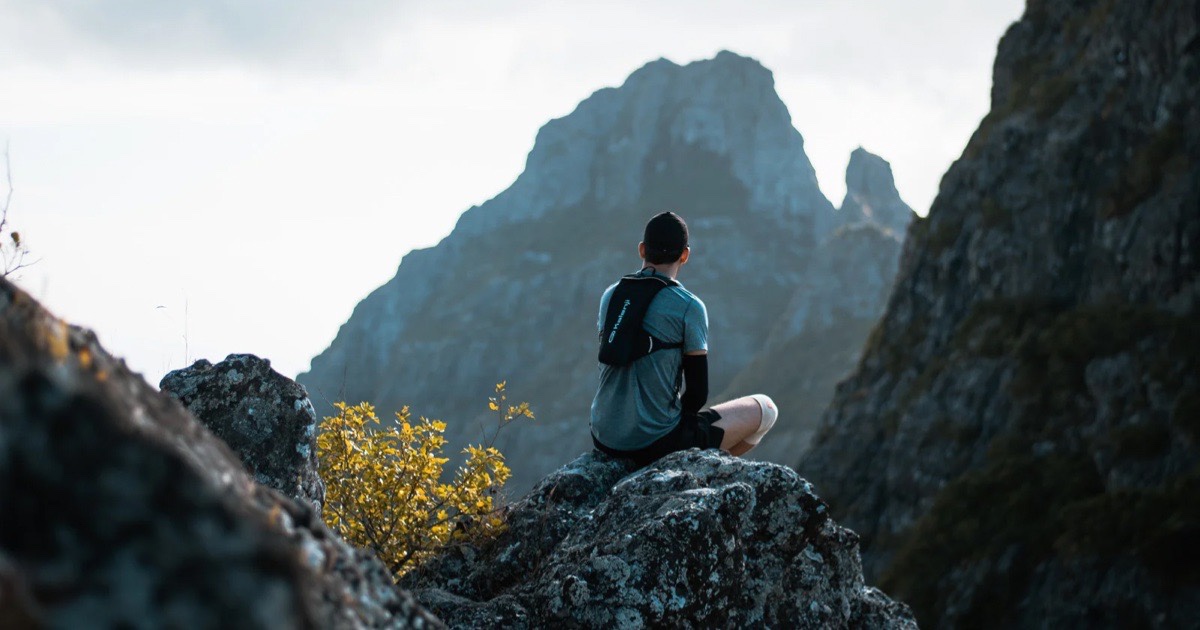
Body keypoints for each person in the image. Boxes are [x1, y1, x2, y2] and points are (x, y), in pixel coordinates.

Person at [590, 211, 778, 467]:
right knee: (766, 410)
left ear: (642, 250)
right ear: (685, 255)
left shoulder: (611, 296)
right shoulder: (688, 306)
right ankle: (706, 472)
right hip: (653, 444)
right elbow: (697, 393)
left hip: (603, 437)